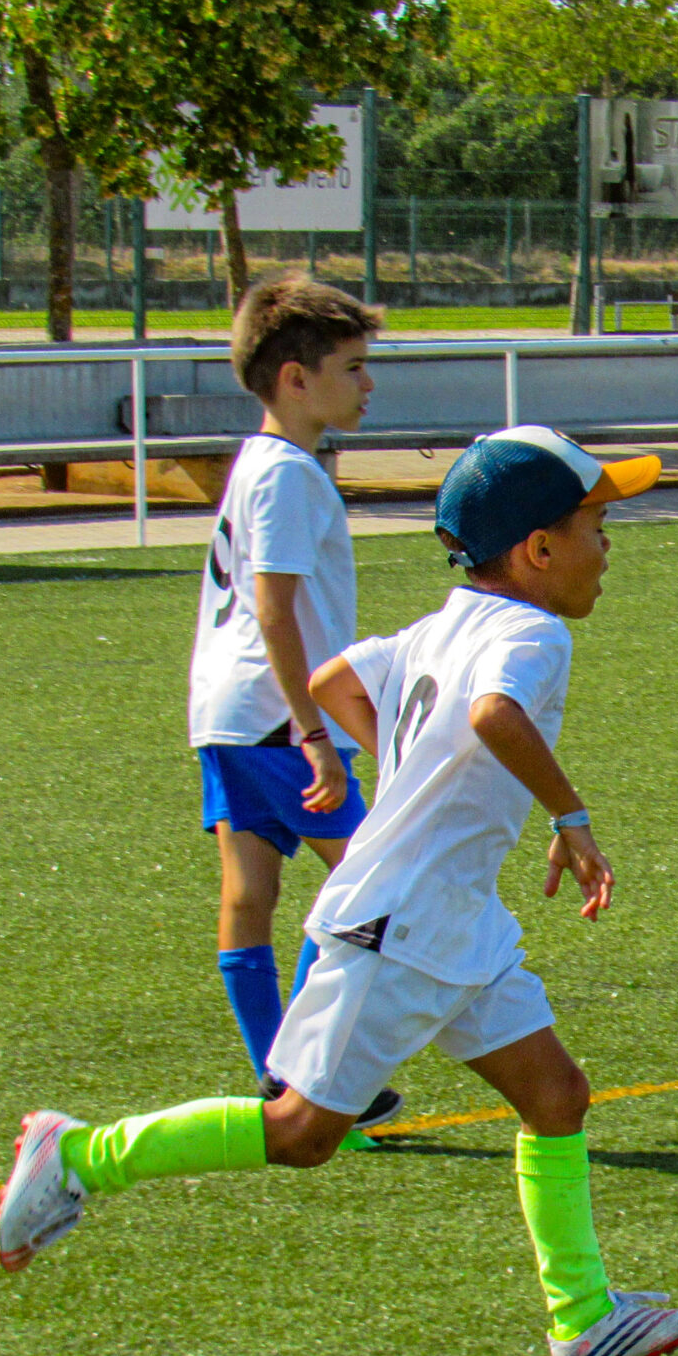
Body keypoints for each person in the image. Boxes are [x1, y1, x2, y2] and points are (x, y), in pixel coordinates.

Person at [0, 426, 678, 1356]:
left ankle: (583, 1318)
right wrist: (570, 817)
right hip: (401, 924)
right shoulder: (534, 633)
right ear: (538, 550)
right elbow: (494, 715)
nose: (609, 543)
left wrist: (404, 764)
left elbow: (332, 684)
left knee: (557, 1096)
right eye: (597, 522)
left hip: (449, 920)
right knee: (302, 1134)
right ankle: (80, 1154)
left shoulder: (439, 624)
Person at [189, 275, 399, 1126]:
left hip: (229, 713)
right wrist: (313, 731)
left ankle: (279, 1075)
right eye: (353, 367)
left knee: (250, 896)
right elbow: (273, 607)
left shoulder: (261, 464)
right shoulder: (287, 476)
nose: (368, 383)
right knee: (371, 883)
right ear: (294, 379)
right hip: (279, 721)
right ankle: (305, 1073)